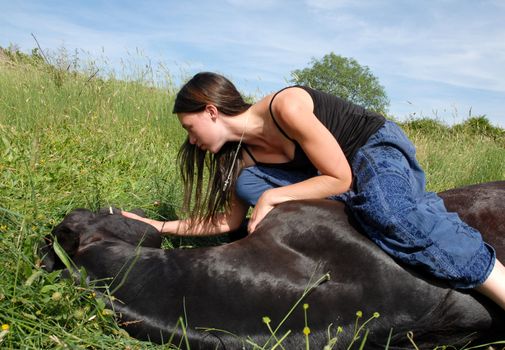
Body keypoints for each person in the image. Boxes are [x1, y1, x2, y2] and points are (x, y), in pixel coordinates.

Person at [122, 71, 505, 310]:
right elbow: (228, 220)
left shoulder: (285, 106)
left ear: (210, 111)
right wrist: (159, 227)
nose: (190, 140)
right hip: (336, 176)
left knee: (389, 212)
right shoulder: (240, 159)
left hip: (369, 149)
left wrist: (273, 197)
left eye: (189, 128)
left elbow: (338, 178)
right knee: (264, 191)